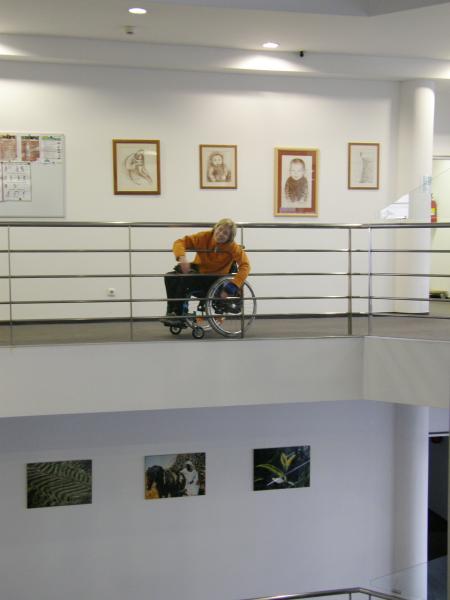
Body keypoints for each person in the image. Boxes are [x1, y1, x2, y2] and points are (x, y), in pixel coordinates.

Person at [162, 218, 250, 324]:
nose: (221, 234)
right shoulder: (204, 237)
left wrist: (231, 287)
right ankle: (171, 312)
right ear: (215, 228)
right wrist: (181, 257)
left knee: (186, 278)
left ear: (230, 237)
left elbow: (246, 266)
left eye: (225, 233)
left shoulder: (233, 247)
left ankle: (179, 314)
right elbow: (179, 242)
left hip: (214, 279)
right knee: (170, 277)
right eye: (220, 229)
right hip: (199, 273)